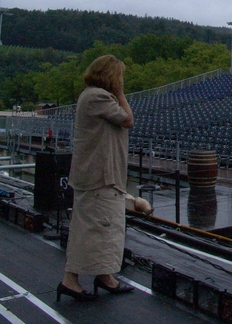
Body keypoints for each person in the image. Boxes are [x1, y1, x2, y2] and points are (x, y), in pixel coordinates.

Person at [57, 55, 135, 302]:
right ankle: (73, 280)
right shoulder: (98, 96)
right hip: (100, 177)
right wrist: (120, 92)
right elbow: (128, 119)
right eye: (119, 76)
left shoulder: (90, 95)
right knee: (98, 229)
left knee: (98, 230)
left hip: (97, 176)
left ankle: (103, 276)